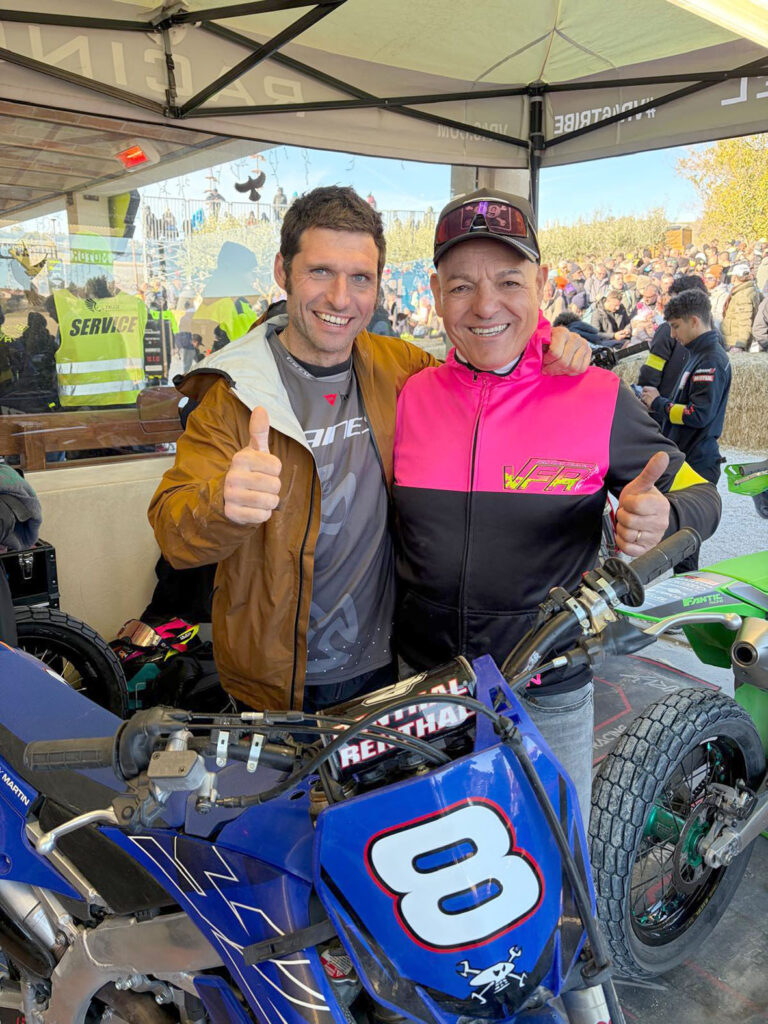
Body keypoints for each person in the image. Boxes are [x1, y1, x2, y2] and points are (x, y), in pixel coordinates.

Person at [148, 186, 591, 714]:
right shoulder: (234, 394)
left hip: (389, 673)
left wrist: (547, 344)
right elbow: (174, 534)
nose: (340, 298)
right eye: (320, 272)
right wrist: (223, 504)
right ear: (282, 271)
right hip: (272, 684)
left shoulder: (399, 367)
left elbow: (482, 371)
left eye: (360, 278)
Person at [392, 190, 721, 823]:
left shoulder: (595, 394)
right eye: (460, 286)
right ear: (434, 295)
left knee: (555, 862)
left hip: (547, 692)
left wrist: (668, 518)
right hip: (425, 690)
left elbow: (701, 494)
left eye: (509, 281)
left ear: (542, 285)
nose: (485, 305)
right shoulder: (410, 395)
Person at [641, 288, 730, 572]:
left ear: (694, 321)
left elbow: (698, 414)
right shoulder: (697, 354)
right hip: (687, 455)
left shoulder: (710, 359)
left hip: (698, 459)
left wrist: (660, 404)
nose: (673, 335)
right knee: (676, 541)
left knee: (685, 545)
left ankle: (687, 596)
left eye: (676, 326)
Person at [721, 263, 760, 351]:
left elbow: (745, 322)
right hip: (732, 340)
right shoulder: (749, 290)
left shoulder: (743, 296)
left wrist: (740, 345)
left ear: (735, 277)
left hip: (733, 342)